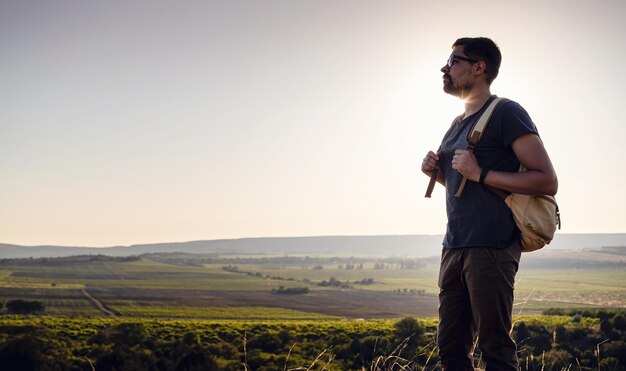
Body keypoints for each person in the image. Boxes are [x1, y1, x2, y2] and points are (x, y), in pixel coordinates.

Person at [421, 37, 558, 370]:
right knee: (451, 347)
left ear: (479, 67)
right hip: (455, 245)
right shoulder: (457, 123)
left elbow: (546, 180)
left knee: (494, 346)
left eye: (454, 60)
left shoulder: (506, 113)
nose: (445, 67)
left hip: (491, 245)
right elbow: (465, 185)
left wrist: (480, 172)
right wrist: (438, 173)